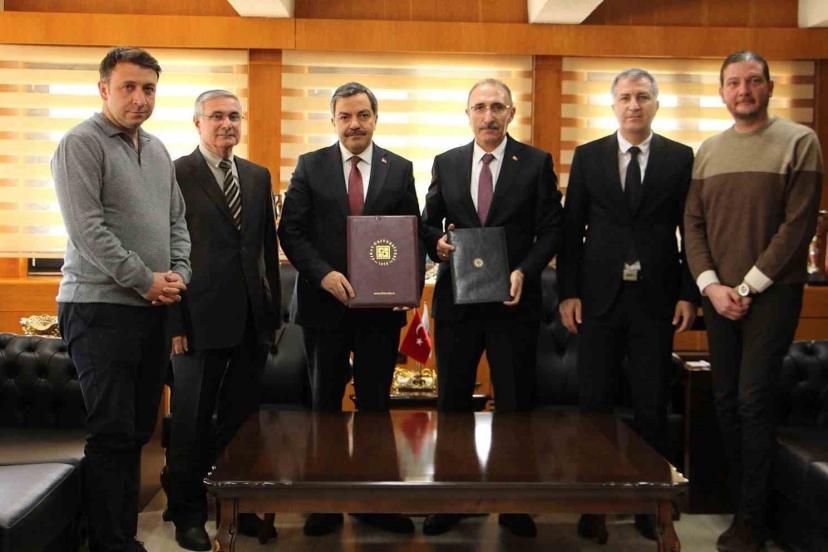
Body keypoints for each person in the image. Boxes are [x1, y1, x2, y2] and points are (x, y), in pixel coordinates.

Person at [52, 47, 191, 552]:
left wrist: (178, 275)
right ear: (103, 89)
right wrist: (143, 279)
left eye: (148, 88)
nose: (139, 98)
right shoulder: (80, 144)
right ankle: (110, 544)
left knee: (136, 432)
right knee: (111, 432)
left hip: (151, 309)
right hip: (97, 308)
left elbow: (177, 222)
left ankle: (122, 538)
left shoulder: (156, 149)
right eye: (128, 87)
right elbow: (87, 230)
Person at [684, 51, 823, 552]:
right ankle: (743, 505)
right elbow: (693, 224)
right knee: (724, 400)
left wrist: (746, 288)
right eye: (733, 83)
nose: (743, 90)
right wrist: (711, 286)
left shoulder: (799, 142)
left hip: (772, 295)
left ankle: (753, 520)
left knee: (752, 400)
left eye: (753, 81)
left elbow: (798, 226)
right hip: (718, 296)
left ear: (769, 86)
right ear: (722, 91)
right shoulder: (709, 150)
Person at [556, 68, 698, 544]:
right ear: (613, 105)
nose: (633, 105)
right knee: (594, 404)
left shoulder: (680, 157)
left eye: (642, 97)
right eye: (625, 97)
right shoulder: (589, 155)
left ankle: (647, 505)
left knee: (651, 404)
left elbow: (690, 230)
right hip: (598, 299)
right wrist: (568, 292)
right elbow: (571, 231)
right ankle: (592, 505)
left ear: (656, 104)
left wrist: (688, 292)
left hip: (656, 299)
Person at [420, 78, 563, 537]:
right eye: (479, 107)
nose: (488, 116)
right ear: (468, 115)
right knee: (452, 404)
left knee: (515, 405)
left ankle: (515, 503)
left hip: (513, 303)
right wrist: (437, 244)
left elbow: (552, 229)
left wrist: (525, 270)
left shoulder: (536, 163)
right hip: (457, 304)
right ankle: (453, 500)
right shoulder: (446, 162)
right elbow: (427, 223)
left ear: (511, 113)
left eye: (497, 107)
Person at [277, 82, 420, 537]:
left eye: (362, 115)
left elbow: (410, 233)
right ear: (333, 120)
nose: (354, 124)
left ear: (375, 118)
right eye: (345, 116)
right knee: (324, 406)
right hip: (324, 307)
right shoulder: (310, 165)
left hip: (380, 312)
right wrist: (323, 274)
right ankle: (324, 503)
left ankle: (374, 502)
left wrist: (407, 287)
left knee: (375, 407)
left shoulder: (399, 168)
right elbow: (291, 231)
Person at [165, 90, 281, 550]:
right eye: (216, 116)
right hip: (196, 320)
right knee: (190, 424)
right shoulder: (175, 173)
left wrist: (271, 315)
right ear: (197, 123)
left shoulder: (256, 175)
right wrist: (173, 322)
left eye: (234, 115)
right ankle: (188, 515)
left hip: (251, 320)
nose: (227, 123)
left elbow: (266, 249)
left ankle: (237, 507)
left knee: (241, 423)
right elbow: (164, 248)